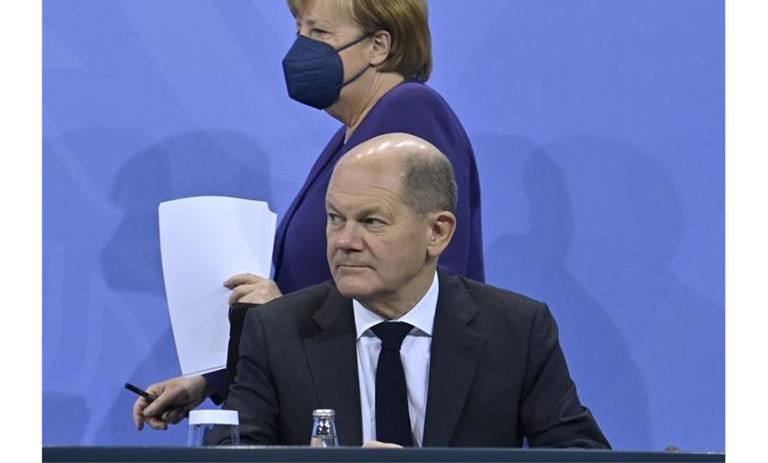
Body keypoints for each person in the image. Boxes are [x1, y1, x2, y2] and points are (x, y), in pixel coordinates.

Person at [133, 0, 485, 430]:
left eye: (319, 34)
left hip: (399, 408)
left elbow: (424, 281)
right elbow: (310, 290)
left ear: (379, 46)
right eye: (299, 31)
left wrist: (282, 316)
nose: (301, 49)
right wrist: (209, 381)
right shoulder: (351, 135)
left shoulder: (410, 114)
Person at [139, 133, 610, 448]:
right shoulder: (277, 329)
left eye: (371, 222)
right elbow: (234, 453)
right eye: (335, 219)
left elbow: (581, 457)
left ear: (438, 233)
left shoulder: (516, 330)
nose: (344, 241)